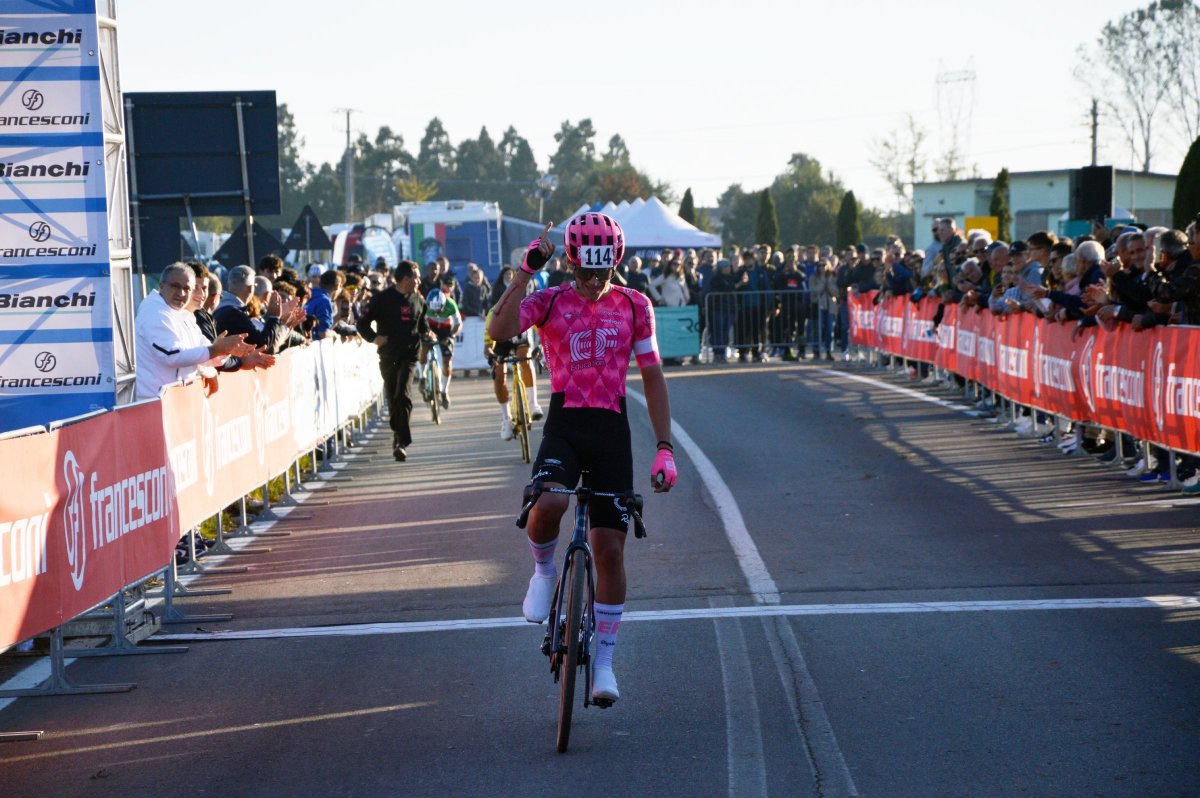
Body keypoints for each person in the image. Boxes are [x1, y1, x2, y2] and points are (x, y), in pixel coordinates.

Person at [487, 214, 677, 706]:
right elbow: (499, 329)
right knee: (548, 503)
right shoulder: (550, 301)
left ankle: (606, 663)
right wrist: (525, 271)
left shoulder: (635, 305)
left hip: (612, 428)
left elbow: (653, 376)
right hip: (566, 423)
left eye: (603, 272)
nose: (594, 284)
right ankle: (544, 572)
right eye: (585, 273)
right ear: (571, 263)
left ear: (615, 261)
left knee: (610, 549)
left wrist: (664, 447)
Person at [134, 263, 252, 399]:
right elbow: (172, 356)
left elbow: (205, 353)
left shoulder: (185, 315)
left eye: (187, 288)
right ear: (161, 286)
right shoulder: (154, 312)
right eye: (175, 286)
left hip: (176, 403)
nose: (181, 293)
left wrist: (226, 350)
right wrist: (216, 350)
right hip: (154, 404)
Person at [355, 260, 432, 462]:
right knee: (392, 396)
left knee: (402, 394)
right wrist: (374, 338)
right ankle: (398, 433)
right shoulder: (382, 299)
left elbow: (422, 324)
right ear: (406, 278)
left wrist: (428, 334)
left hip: (410, 354)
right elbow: (362, 323)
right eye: (415, 276)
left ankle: (402, 441)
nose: (418, 280)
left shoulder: (418, 299)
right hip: (389, 355)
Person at [483, 299, 544, 440]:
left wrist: (539, 347)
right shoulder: (493, 315)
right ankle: (506, 419)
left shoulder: (526, 310)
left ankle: (533, 404)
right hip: (501, 341)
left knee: (526, 360)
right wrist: (491, 356)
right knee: (498, 374)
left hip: (521, 337)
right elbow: (487, 346)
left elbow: (541, 331)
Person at [421, 272, 462, 409]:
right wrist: (425, 333)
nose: (437, 314)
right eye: (435, 311)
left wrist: (450, 336)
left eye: (440, 311)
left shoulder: (451, 304)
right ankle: (422, 376)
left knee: (447, 361)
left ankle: (444, 391)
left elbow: (458, 324)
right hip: (430, 327)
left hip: (446, 330)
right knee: (424, 348)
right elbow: (420, 323)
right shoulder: (425, 305)